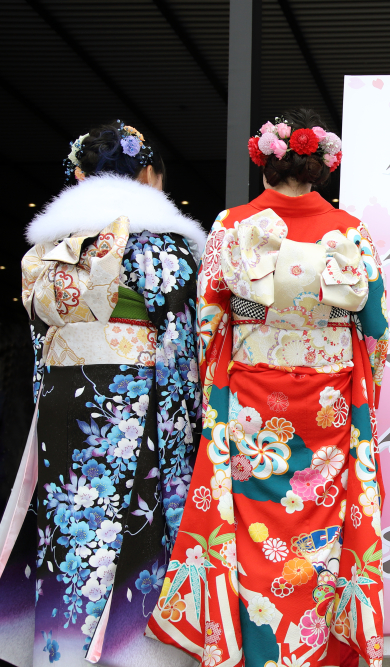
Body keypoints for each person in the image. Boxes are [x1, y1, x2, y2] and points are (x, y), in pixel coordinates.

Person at [146, 109, 388, 667]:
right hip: (329, 404)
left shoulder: (233, 224)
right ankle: (317, 650)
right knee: (321, 524)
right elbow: (374, 325)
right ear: (322, 168)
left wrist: (214, 385)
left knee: (252, 527)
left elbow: (209, 317)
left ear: (264, 162)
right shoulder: (350, 230)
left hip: (251, 400)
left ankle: (254, 650)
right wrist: (365, 391)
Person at [0, 122, 206, 667]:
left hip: (64, 399)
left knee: (66, 526)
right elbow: (181, 336)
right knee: (137, 521)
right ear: (146, 173)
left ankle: (59, 651)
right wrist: (188, 411)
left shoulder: (52, 245)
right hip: (131, 400)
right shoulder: (158, 242)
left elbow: (42, 334)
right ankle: (133, 655)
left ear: (79, 174)